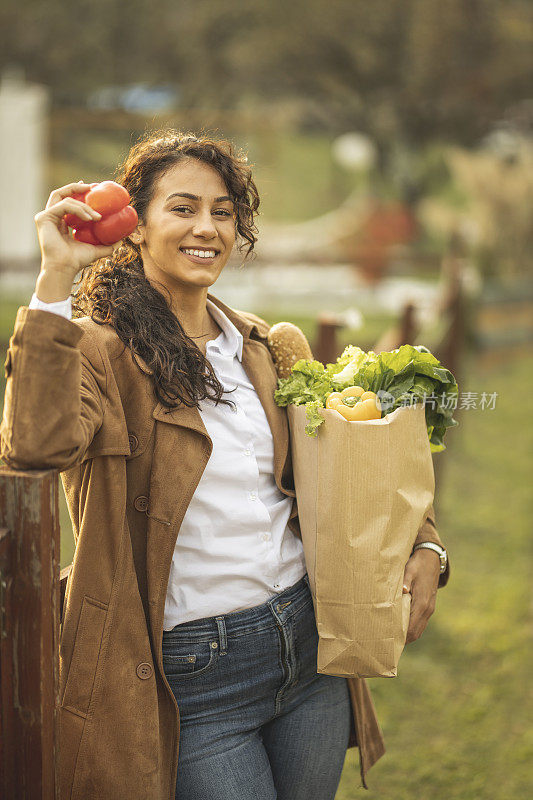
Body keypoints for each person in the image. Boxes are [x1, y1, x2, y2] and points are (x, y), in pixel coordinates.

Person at [0, 130, 449, 800]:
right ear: (136, 228)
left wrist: (426, 542)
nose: (205, 227)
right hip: (191, 678)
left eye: (222, 211)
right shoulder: (100, 354)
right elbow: (34, 442)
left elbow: (355, 469)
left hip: (308, 651)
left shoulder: (269, 345)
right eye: (181, 208)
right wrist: (54, 278)